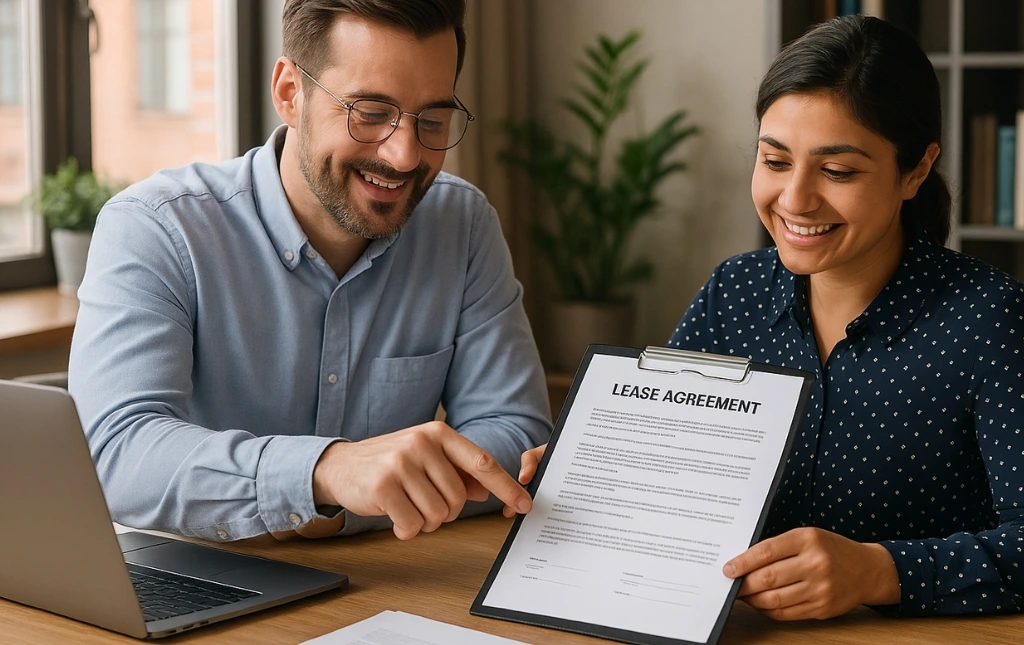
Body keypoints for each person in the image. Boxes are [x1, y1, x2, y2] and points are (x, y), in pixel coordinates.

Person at [510, 15, 1024, 618]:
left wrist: (880, 571)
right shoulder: (734, 293)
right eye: (775, 161)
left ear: (915, 170)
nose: (795, 199)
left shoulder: (993, 322)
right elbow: (678, 474)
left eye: (837, 170)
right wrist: (595, 475)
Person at [69, 0, 550, 544]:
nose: (405, 154)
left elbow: (518, 437)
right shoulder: (157, 228)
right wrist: (325, 472)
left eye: (433, 120)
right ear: (289, 93)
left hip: (387, 580)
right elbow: (112, 455)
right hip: (203, 581)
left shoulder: (461, 224)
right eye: (370, 113)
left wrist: (363, 500)